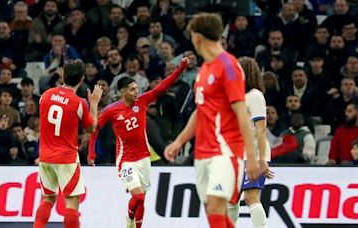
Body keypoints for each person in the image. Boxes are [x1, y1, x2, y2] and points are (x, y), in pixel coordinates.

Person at [164, 13, 261, 228]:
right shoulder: (204, 69)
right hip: (202, 152)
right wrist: (179, 141)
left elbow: (242, 113)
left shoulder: (229, 66)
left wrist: (252, 158)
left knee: (217, 206)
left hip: (226, 150)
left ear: (197, 38)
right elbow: (201, 112)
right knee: (214, 213)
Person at [88, 57, 189, 228]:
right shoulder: (111, 110)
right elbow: (95, 128)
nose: (137, 92)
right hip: (126, 160)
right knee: (139, 196)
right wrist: (91, 152)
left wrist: (181, 69)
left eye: (137, 88)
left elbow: (162, 86)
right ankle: (129, 220)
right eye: (133, 89)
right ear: (122, 92)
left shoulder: (142, 101)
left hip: (144, 159)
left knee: (142, 200)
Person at [33, 60, 102, 228]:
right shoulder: (79, 103)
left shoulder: (46, 95)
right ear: (82, 79)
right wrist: (93, 104)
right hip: (66, 158)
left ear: (63, 75)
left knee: (48, 198)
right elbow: (92, 128)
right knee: (71, 203)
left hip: (45, 156)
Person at [227, 57, 274, 228]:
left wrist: (262, 159)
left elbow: (261, 129)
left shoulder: (255, 96)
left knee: (251, 197)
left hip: (253, 154)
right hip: (237, 155)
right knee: (231, 199)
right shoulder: (237, 97)